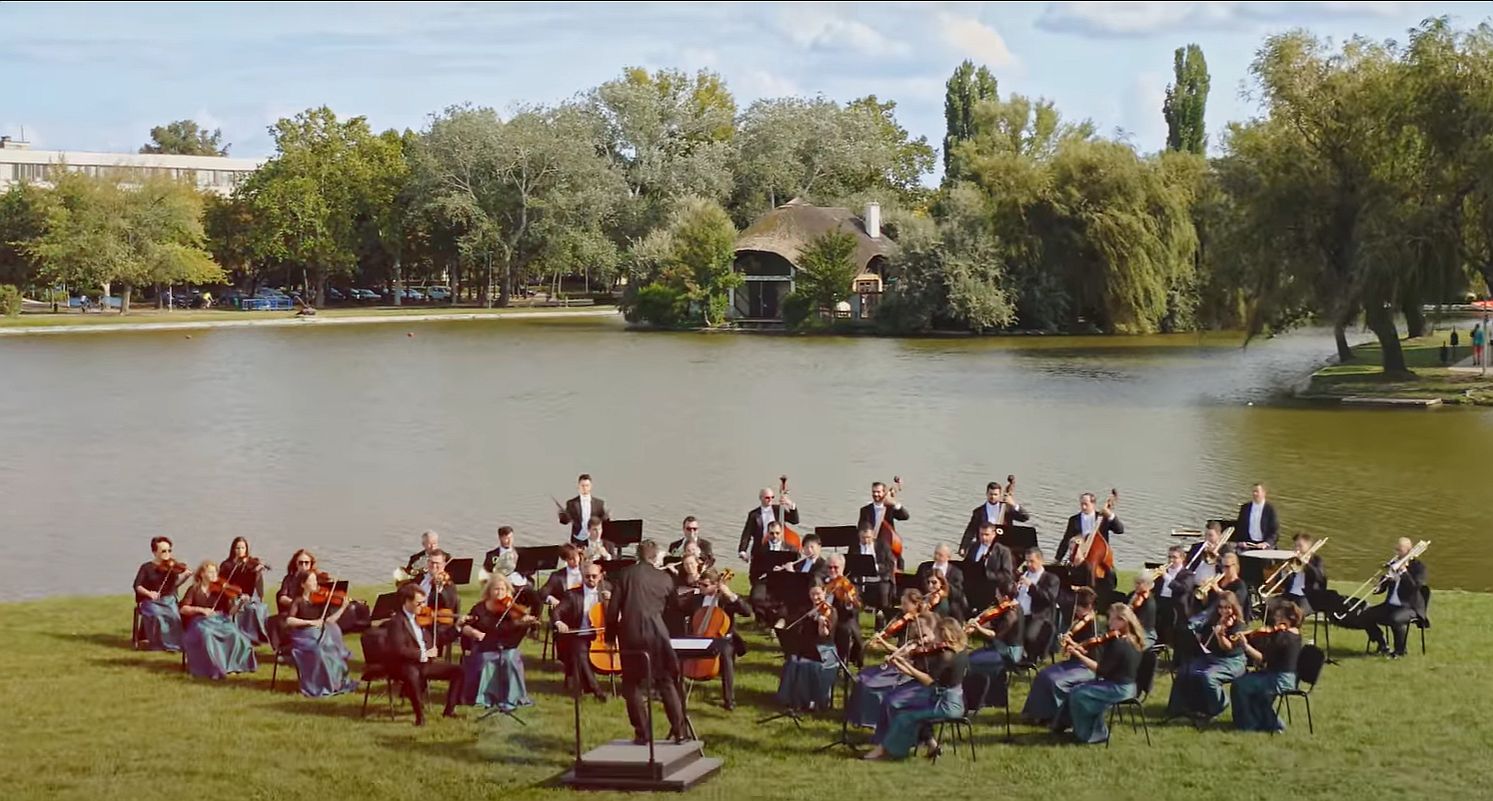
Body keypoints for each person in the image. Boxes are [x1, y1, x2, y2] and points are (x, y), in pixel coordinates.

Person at [606, 540, 689, 744]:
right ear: (655, 557)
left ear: (637, 555)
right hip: (657, 635)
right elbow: (675, 607)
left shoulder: (625, 575)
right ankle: (679, 731)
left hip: (630, 635)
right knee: (666, 681)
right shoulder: (665, 579)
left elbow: (613, 609)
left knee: (631, 684)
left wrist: (609, 636)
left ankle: (643, 734)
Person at [862, 617, 969, 761]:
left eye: (937, 634)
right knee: (904, 709)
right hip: (954, 700)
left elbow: (928, 681)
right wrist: (903, 665)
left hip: (945, 704)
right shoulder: (961, 650)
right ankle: (912, 745)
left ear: (945, 634)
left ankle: (886, 751)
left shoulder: (947, 655)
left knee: (903, 715)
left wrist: (906, 666)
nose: (935, 638)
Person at [1055, 604, 1147, 744]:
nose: (1108, 623)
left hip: (1119, 690)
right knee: (1079, 689)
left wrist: (1078, 654)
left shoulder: (1120, 644)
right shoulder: (1134, 640)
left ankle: (1090, 735)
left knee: (1078, 694)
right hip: (1129, 686)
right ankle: (1070, 726)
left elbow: (1100, 670)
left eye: (1111, 620)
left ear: (1122, 621)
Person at [851, 591, 937, 730]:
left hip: (907, 670)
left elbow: (909, 652)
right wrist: (884, 644)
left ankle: (872, 720)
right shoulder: (907, 622)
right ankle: (859, 718)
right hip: (899, 663)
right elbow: (902, 649)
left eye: (905, 604)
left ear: (915, 605)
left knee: (870, 683)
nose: (901, 608)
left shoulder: (923, 623)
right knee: (863, 677)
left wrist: (888, 648)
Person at [383, 582, 465, 724]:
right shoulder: (396, 622)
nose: (422, 606)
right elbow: (399, 649)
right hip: (404, 665)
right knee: (412, 673)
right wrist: (423, 653)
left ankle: (449, 711)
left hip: (424, 663)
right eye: (418, 603)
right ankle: (420, 716)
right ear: (407, 602)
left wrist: (456, 628)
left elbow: (439, 639)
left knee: (458, 671)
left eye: (423, 602)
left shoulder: (422, 618)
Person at [1020, 587, 1100, 724]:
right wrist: (1066, 644)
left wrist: (1073, 645)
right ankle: (1035, 713)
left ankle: (1054, 716)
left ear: (1090, 607)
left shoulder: (1096, 628)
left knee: (1055, 681)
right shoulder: (1078, 623)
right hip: (1073, 662)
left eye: (1080, 608)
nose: (1078, 612)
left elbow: (1091, 655)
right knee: (1043, 674)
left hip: (1086, 667)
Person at [460, 574, 536, 713]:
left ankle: (511, 698)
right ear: (489, 590)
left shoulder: (512, 609)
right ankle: (485, 697)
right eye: (496, 589)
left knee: (510, 658)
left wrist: (523, 623)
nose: (499, 593)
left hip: (506, 647)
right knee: (485, 659)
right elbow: (465, 627)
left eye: (503, 589)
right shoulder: (479, 608)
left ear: (508, 591)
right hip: (484, 647)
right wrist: (474, 632)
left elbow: (516, 634)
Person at [1166, 593, 1247, 722]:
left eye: (1228, 608)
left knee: (1208, 677)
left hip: (1232, 661)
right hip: (1212, 657)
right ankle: (1182, 709)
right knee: (1185, 671)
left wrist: (1220, 634)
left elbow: (1228, 648)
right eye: (1221, 608)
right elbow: (1202, 639)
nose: (1224, 611)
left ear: (1234, 608)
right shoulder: (1213, 620)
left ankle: (1218, 705)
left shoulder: (1239, 625)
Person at [678, 567, 750, 710]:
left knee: (726, 657)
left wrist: (730, 594)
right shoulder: (697, 598)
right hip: (699, 636)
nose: (701, 587)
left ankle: (729, 699)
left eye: (705, 585)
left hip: (722, 639)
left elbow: (747, 611)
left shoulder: (725, 600)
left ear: (716, 585)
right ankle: (677, 692)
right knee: (678, 652)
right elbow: (679, 606)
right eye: (699, 584)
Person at [283, 570, 358, 698]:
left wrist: (342, 608)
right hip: (303, 637)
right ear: (303, 584)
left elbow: (329, 621)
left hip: (319, 634)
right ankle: (320, 685)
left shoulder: (320, 601)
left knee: (332, 650)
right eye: (311, 581)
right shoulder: (298, 601)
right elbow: (289, 620)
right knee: (319, 652)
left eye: (315, 580)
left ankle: (336, 683)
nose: (315, 583)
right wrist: (311, 622)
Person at [1232, 601, 1305, 732]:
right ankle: (1262, 722)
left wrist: (1245, 646)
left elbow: (1262, 659)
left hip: (1281, 679)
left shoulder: (1286, 638)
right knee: (1247, 683)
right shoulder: (1293, 634)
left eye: (1279, 617)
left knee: (1240, 685)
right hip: (1276, 674)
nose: (1275, 621)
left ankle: (1248, 724)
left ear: (1288, 620)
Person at [178, 561, 258, 679]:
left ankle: (233, 666)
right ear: (202, 574)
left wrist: (240, 603)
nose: (214, 574)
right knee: (208, 635)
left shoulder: (221, 590)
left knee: (235, 634)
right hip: (200, 621)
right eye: (210, 572)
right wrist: (201, 610)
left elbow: (231, 612)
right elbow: (183, 609)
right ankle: (214, 667)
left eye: (215, 571)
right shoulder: (194, 589)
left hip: (220, 620)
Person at [774, 584, 840, 713]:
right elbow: (793, 622)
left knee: (807, 665)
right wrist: (782, 623)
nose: (815, 597)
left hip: (824, 649)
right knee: (793, 661)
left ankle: (809, 702)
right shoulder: (806, 609)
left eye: (818, 594)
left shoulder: (831, 611)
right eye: (812, 594)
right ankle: (792, 700)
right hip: (808, 647)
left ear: (825, 593)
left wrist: (822, 624)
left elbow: (824, 635)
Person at [553, 562, 613, 701]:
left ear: (600, 577)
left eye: (594, 576)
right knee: (579, 652)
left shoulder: (608, 590)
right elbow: (557, 612)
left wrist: (611, 601)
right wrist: (559, 622)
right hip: (580, 634)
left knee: (580, 654)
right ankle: (596, 690)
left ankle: (589, 686)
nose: (591, 579)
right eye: (587, 576)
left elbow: (619, 613)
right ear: (583, 577)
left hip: (602, 635)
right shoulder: (572, 594)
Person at [1361, 537, 1428, 658]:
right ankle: (1382, 644)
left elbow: (1414, 587)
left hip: (1409, 607)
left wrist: (1404, 572)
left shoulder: (1419, 567)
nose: (1396, 552)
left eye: (1399, 549)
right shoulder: (1393, 564)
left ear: (1409, 550)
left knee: (1395, 619)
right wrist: (1379, 587)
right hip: (1391, 605)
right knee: (1365, 615)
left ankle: (1400, 651)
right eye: (1396, 549)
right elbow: (1384, 585)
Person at [1056, 492, 1123, 592]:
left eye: (1086, 504)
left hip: (1098, 558)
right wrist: (1058, 558)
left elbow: (1120, 530)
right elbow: (1066, 539)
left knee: (1110, 575)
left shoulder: (1103, 519)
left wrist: (1110, 515)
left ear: (1093, 504)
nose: (1083, 507)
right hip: (1080, 558)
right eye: (1081, 504)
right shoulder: (1074, 520)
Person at [966, 578, 1023, 689]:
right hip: (1000, 647)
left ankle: (984, 690)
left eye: (998, 594)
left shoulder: (1011, 614)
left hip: (1008, 652)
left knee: (970, 661)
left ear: (1005, 597)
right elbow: (993, 622)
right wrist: (977, 621)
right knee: (971, 657)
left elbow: (995, 635)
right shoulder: (1008, 608)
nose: (996, 596)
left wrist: (978, 627)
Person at [133, 536, 186, 652]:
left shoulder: (171, 567)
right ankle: (159, 644)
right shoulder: (146, 567)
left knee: (174, 615)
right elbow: (137, 586)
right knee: (158, 615)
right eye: (163, 551)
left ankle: (175, 644)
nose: (167, 554)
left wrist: (185, 577)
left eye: (169, 550)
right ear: (154, 552)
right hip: (150, 601)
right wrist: (149, 593)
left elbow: (175, 585)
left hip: (168, 599)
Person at [219, 536, 270, 644]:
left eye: (243, 548)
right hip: (231, 595)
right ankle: (241, 633)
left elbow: (256, 588)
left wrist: (257, 573)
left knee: (256, 608)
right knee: (240, 607)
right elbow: (222, 584)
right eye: (237, 548)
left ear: (246, 549)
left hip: (247, 595)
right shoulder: (226, 565)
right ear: (233, 549)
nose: (240, 551)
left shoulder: (251, 565)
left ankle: (255, 635)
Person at [959, 480, 1029, 556]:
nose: (993, 497)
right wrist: (963, 547)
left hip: (1003, 547)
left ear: (1000, 495)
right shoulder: (978, 512)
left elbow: (1025, 517)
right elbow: (970, 531)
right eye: (991, 494)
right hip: (983, 546)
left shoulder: (1007, 509)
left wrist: (1014, 504)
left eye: (995, 494)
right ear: (986, 494)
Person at [747, 522, 800, 623]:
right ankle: (762, 619)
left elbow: (797, 570)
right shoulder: (759, 550)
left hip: (785, 581)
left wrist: (786, 569)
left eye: (777, 533)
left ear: (781, 533)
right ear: (767, 533)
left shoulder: (792, 550)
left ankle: (778, 619)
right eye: (772, 533)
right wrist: (756, 582)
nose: (775, 536)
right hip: (765, 580)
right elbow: (753, 571)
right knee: (756, 597)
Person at [1015, 548, 1060, 660]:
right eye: (1027, 561)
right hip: (1018, 613)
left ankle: (1031, 658)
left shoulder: (1051, 578)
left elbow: (1048, 598)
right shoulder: (1025, 574)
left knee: (1029, 636)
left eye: (1032, 561)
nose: (1029, 565)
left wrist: (1031, 586)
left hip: (1038, 615)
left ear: (1041, 561)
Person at [823, 555, 865, 667]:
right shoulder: (822, 581)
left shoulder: (850, 585)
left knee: (846, 631)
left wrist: (849, 603)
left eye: (835, 567)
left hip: (843, 618)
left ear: (842, 568)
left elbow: (857, 607)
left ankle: (843, 661)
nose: (832, 570)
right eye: (829, 567)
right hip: (823, 617)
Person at [737, 486, 798, 563]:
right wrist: (742, 550)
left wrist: (790, 504)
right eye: (767, 498)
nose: (770, 500)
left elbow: (794, 521)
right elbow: (747, 534)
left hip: (778, 549)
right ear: (761, 498)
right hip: (760, 549)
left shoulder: (778, 509)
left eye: (772, 497)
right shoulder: (754, 515)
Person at [417, 551, 462, 649]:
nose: (434, 566)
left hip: (433, 624)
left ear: (444, 565)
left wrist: (440, 589)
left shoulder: (449, 585)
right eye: (431, 562)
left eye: (437, 563)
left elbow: (449, 603)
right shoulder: (421, 579)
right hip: (415, 617)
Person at [962, 525, 1014, 610]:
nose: (983, 537)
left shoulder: (1003, 551)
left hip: (991, 590)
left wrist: (987, 574)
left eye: (986, 534)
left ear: (994, 534)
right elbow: (966, 565)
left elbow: (1007, 576)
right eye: (981, 534)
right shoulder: (974, 546)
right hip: (971, 586)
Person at [1273, 533, 1327, 615]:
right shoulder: (1292, 560)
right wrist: (1284, 572)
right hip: (1290, 594)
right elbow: (1282, 583)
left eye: (1300, 546)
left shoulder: (1316, 560)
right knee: (1269, 607)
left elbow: (1320, 578)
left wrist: (1307, 564)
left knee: (1294, 613)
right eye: (1295, 546)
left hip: (1307, 597)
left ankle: (1291, 627)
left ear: (1308, 546)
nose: (1297, 549)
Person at [857, 480, 909, 566]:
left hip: (887, 546)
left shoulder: (890, 508)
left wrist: (894, 503)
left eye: (878, 492)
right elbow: (861, 528)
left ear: (884, 493)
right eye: (874, 492)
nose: (876, 494)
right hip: (869, 543)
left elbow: (905, 516)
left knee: (897, 561)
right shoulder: (865, 510)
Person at [850, 525, 896, 619]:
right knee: (852, 595)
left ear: (873, 536)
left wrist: (876, 567)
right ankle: (854, 622)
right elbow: (851, 563)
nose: (866, 540)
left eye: (868, 538)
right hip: (860, 580)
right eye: (863, 538)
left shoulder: (882, 545)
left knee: (884, 597)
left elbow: (891, 563)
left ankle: (882, 622)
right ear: (859, 536)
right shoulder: (855, 546)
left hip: (880, 579)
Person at [914, 544, 966, 617]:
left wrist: (944, 591)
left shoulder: (956, 572)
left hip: (946, 603)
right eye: (935, 553)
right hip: (925, 600)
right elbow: (916, 584)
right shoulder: (924, 567)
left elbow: (958, 593)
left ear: (948, 557)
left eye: (940, 555)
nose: (936, 557)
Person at [558, 473, 609, 546]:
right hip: (577, 538)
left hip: (594, 538)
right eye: (582, 486)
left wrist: (606, 517)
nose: (584, 488)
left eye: (587, 485)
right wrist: (563, 517)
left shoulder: (599, 503)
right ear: (578, 486)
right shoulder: (571, 503)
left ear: (591, 486)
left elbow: (604, 521)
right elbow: (564, 521)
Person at [1155, 545, 1189, 645]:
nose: (1171, 560)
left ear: (1182, 558)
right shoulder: (1162, 572)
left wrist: (1166, 576)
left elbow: (1182, 589)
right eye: (1169, 557)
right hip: (1160, 602)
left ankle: (1168, 642)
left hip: (1175, 606)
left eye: (1174, 557)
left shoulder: (1187, 574)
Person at [1235, 483, 1280, 551]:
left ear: (1264, 493)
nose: (1254, 494)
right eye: (1253, 491)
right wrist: (1241, 542)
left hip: (1264, 545)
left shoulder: (1270, 509)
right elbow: (1240, 527)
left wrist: (1266, 543)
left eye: (1257, 491)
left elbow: (1275, 532)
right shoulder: (1245, 507)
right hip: (1248, 544)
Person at [1127, 574, 1158, 647]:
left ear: (1147, 586)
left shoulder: (1149, 603)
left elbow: (1140, 624)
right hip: (1131, 628)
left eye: (1139, 583)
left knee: (1131, 646)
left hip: (1145, 632)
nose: (1136, 585)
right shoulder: (1133, 594)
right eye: (1136, 583)